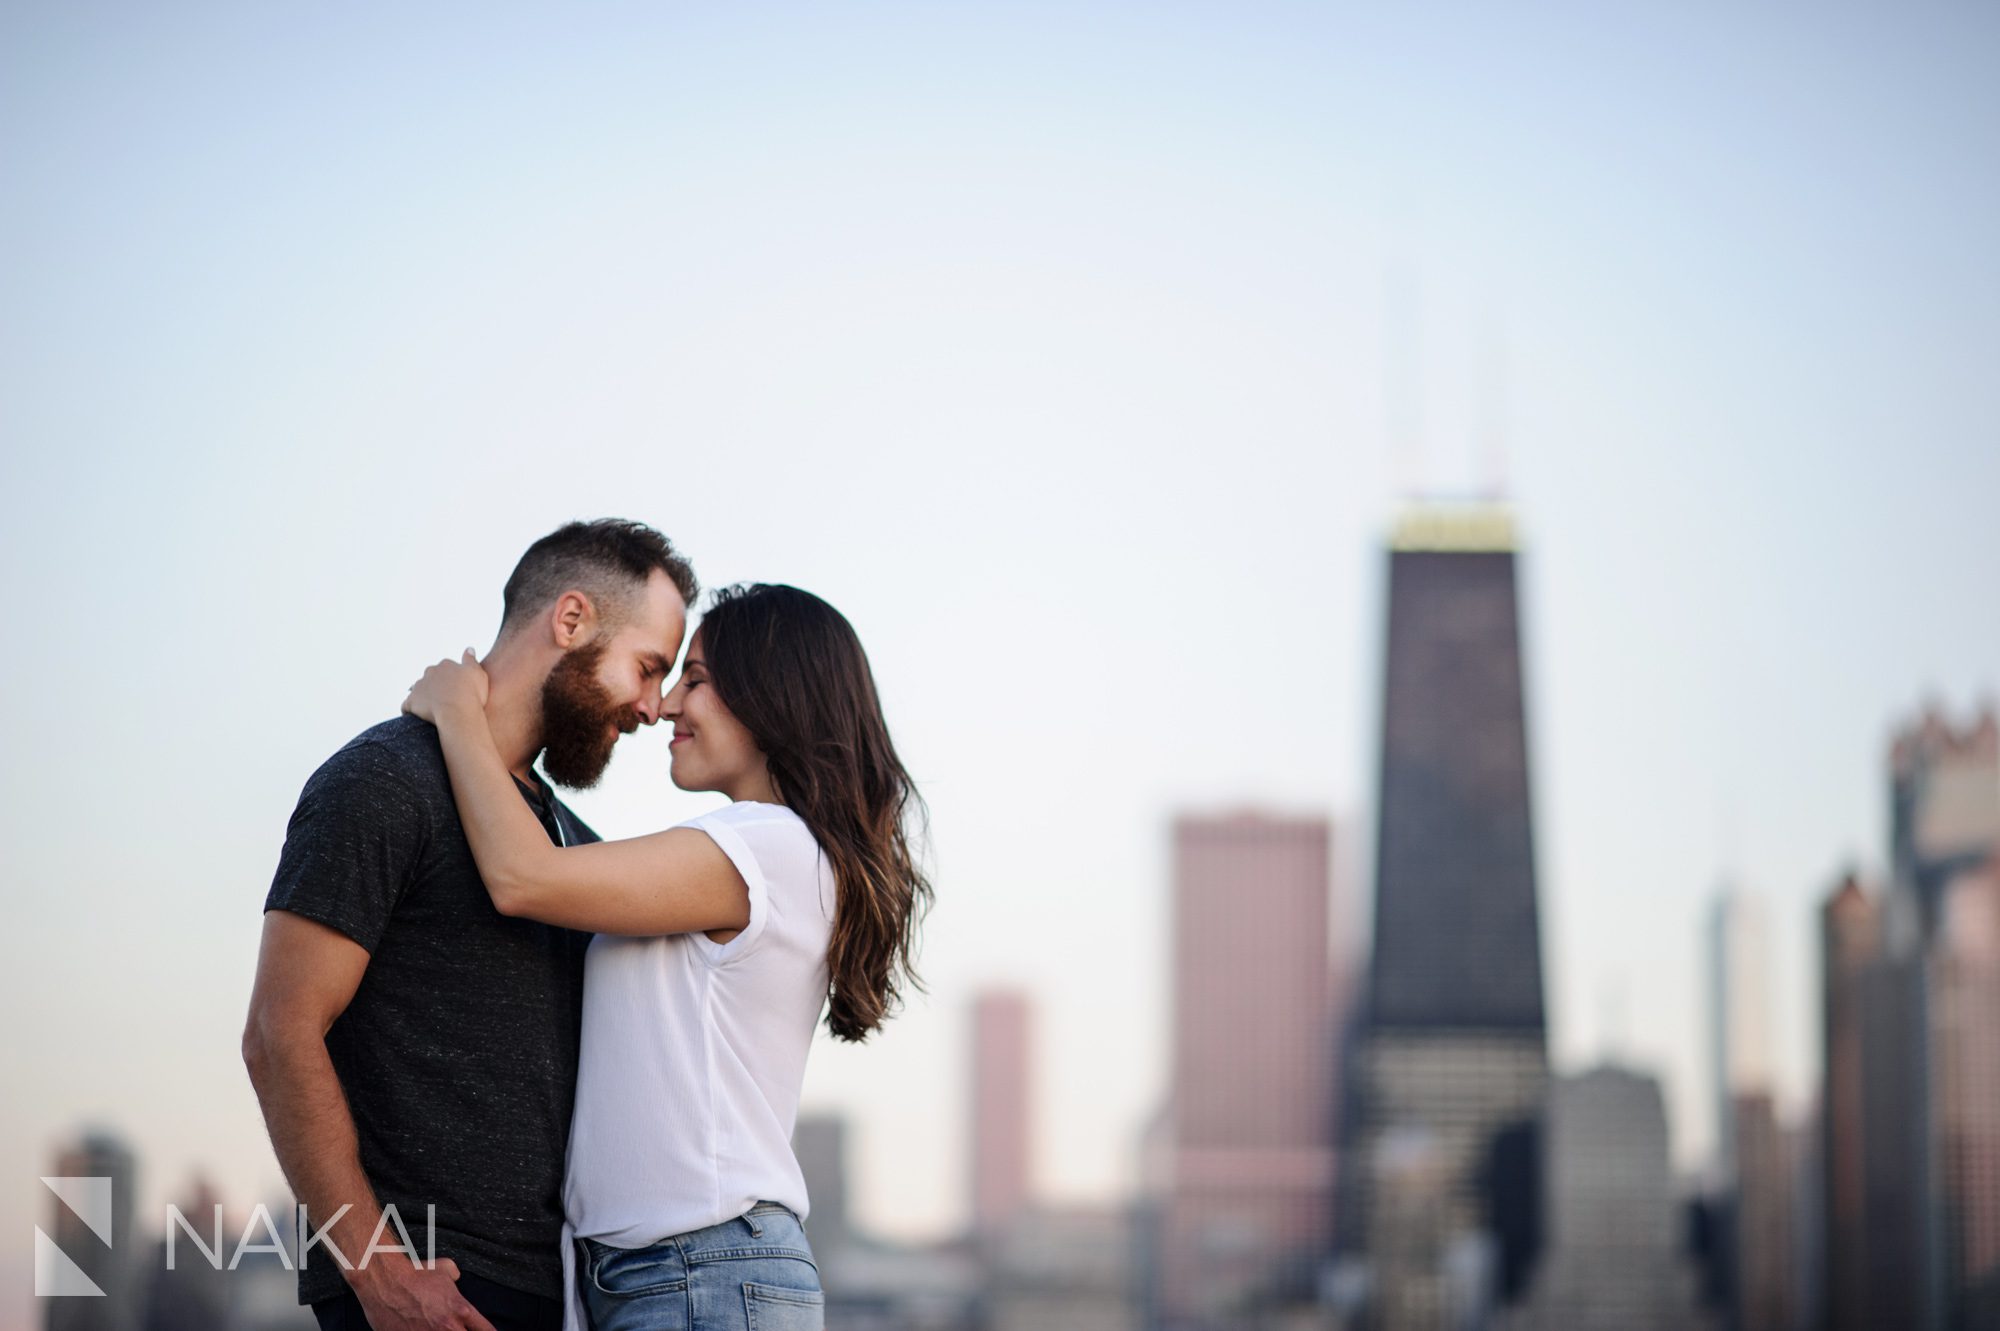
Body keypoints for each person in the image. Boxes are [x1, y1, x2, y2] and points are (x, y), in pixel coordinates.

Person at [400, 582, 931, 1331]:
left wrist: (458, 712)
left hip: (702, 1270)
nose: (670, 704)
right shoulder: (759, 853)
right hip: (656, 1275)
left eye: (698, 679)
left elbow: (523, 877)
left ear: (773, 695)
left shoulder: (767, 847)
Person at [243, 519, 699, 1331]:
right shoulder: (385, 778)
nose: (651, 707)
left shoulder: (568, 846)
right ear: (571, 620)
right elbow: (280, 1031)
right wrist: (378, 1273)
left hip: (555, 1290)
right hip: (426, 1289)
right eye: (649, 667)